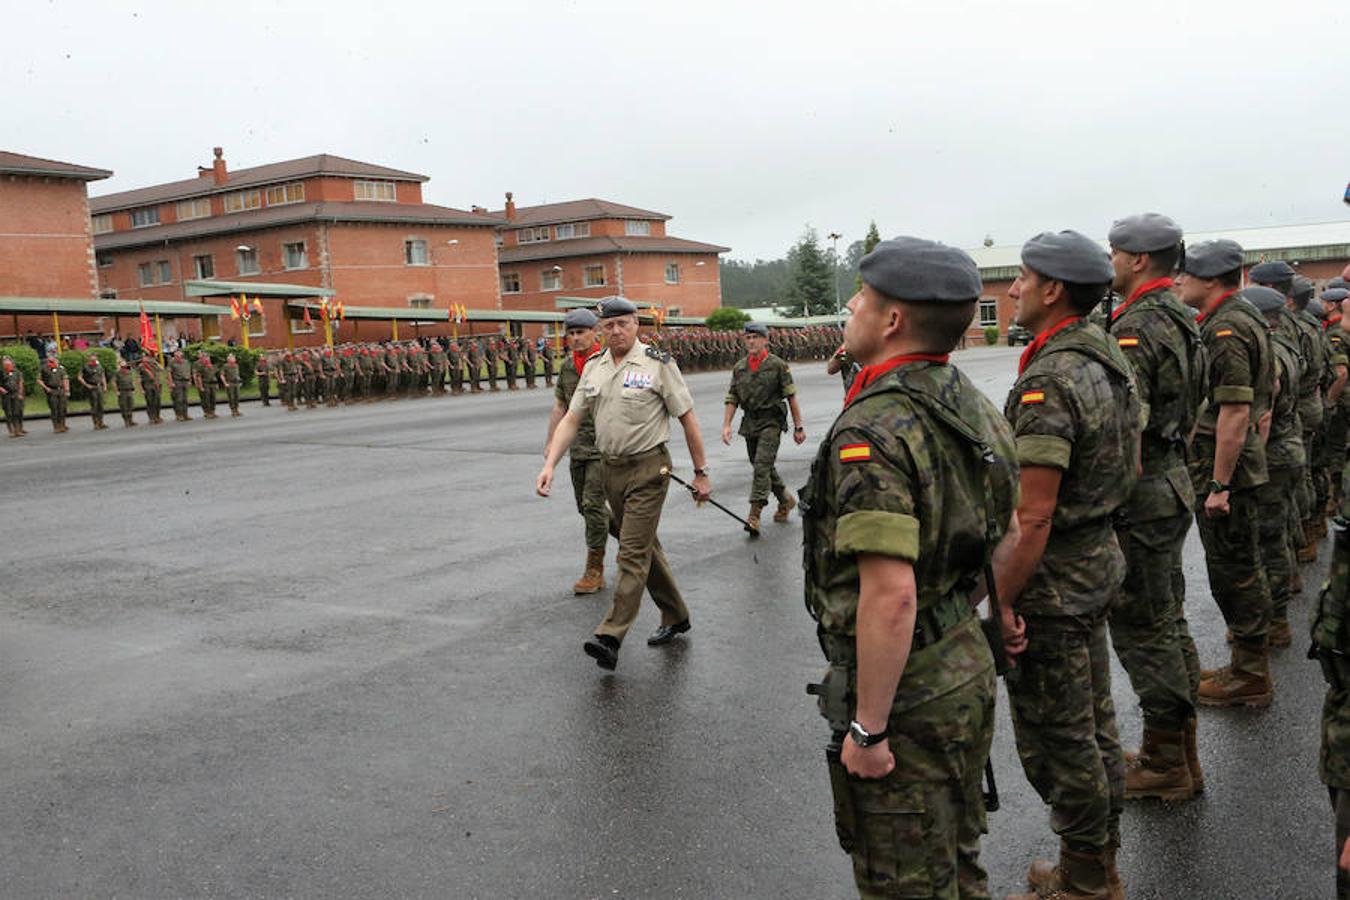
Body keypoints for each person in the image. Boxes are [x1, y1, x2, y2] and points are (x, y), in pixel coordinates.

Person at [801, 237, 1018, 898]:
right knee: (954, 851)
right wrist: (989, 618)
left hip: (911, 686)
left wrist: (869, 728)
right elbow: (1003, 532)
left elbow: (891, 595)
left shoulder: (876, 426)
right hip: (961, 662)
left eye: (861, 299)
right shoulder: (970, 400)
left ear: (892, 320)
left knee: (902, 877)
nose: (852, 310)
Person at [997, 231, 1140, 900]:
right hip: (1094, 563)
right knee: (1094, 721)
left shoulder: (1050, 376)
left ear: (1052, 289)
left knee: (1059, 739)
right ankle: (1096, 860)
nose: (1011, 290)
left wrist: (999, 601)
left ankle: (1085, 878)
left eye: (1021, 279)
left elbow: (1032, 515)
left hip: (1052, 581)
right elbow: (1130, 465)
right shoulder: (1103, 352)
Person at [536, 296, 712, 672]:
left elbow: (688, 418)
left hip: (649, 469)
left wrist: (701, 472)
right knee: (644, 545)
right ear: (602, 329)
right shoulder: (594, 368)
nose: (616, 331)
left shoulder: (658, 364)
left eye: (624, 324)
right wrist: (550, 462)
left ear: (637, 325)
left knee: (631, 553)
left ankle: (610, 635)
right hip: (609, 469)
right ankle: (676, 614)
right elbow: (571, 418)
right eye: (609, 326)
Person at [1102, 213, 1206, 802]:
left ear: (1139, 259)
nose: (1110, 260)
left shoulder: (1138, 325)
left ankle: (1167, 760)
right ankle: (1181, 752)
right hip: (1170, 481)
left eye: (1115, 251)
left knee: (1144, 628)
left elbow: (1127, 428)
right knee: (1168, 620)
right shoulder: (1181, 315)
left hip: (1142, 492)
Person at [1177, 240, 1277, 707]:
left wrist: (1219, 484)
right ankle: (1245, 663)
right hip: (1238, 467)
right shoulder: (1241, 316)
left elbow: (1235, 411)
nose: (1179, 281)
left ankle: (1250, 675)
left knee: (1234, 573)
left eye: (1188, 274)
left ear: (1212, 280)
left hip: (1228, 475)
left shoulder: (1226, 329)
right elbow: (1269, 388)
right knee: (1240, 568)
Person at [545, 308, 612, 594]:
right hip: (578, 448)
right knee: (584, 508)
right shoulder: (568, 367)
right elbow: (560, 406)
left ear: (595, 332)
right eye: (570, 334)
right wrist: (551, 445)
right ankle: (638, 544)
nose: (575, 338)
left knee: (593, 505)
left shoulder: (608, 363)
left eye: (580, 332)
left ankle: (594, 570)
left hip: (605, 447)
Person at [721, 322, 805, 532]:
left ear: (765, 339)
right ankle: (785, 499)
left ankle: (754, 515)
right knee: (762, 465)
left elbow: (791, 396)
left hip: (772, 421)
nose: (751, 341)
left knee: (761, 466)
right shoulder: (740, 367)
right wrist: (726, 425)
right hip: (750, 421)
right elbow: (733, 397)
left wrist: (798, 427)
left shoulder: (778, 365)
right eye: (747, 338)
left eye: (755, 337)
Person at [39, 351, 70, 433]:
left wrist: (67, 390)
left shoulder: (61, 368)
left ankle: (62, 425)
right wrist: (46, 388)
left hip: (61, 390)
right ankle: (56, 426)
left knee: (62, 408)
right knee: (54, 409)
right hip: (52, 390)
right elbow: (39, 380)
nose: (53, 358)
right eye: (51, 356)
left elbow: (65, 379)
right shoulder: (44, 368)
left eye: (54, 357)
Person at [78, 353, 109, 430]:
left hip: (99, 387)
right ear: (89, 357)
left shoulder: (99, 366)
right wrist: (86, 385)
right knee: (94, 406)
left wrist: (105, 386)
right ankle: (95, 423)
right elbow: (79, 377)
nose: (93, 357)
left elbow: (102, 376)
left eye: (95, 356)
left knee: (101, 405)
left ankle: (101, 422)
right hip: (92, 387)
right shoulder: (85, 366)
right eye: (92, 356)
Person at [0, 355, 26, 437]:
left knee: (16, 412)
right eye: (6, 365)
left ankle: (17, 430)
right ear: (3, 365)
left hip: (15, 394)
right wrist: (1, 389)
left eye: (9, 365)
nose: (8, 366)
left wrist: (20, 393)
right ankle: (11, 431)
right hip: (6, 395)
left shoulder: (16, 372)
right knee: (9, 413)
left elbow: (20, 382)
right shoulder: (1, 372)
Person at [139, 354, 163, 424]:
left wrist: (155, 362)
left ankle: (157, 416)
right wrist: (141, 389)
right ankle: (151, 417)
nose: (147, 359)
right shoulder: (141, 366)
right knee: (150, 402)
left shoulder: (153, 365)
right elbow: (139, 378)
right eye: (145, 357)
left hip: (156, 385)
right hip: (148, 385)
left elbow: (161, 369)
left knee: (157, 401)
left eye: (148, 357)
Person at [194, 352, 219, 419]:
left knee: (213, 398)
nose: (208, 359)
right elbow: (198, 376)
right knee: (206, 399)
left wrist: (216, 384)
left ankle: (212, 411)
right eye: (206, 358)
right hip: (205, 384)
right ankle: (207, 412)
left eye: (208, 358)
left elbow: (214, 375)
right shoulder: (200, 366)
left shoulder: (211, 366)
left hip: (212, 384)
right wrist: (200, 386)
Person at [169, 350, 193, 420]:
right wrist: (171, 383)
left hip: (185, 382)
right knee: (179, 399)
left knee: (185, 399)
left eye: (179, 356)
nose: (177, 358)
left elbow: (188, 372)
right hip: (177, 382)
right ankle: (179, 415)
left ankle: (185, 414)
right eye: (176, 356)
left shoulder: (186, 362)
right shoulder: (172, 363)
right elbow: (169, 373)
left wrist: (190, 380)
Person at [114, 359, 138, 427]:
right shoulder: (117, 373)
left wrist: (133, 389)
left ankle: (131, 420)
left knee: (130, 405)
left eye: (124, 362)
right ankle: (126, 421)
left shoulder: (129, 372)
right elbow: (114, 383)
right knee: (123, 406)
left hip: (129, 390)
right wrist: (117, 391)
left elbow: (132, 380)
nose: (124, 364)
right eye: (122, 363)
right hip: (122, 391)